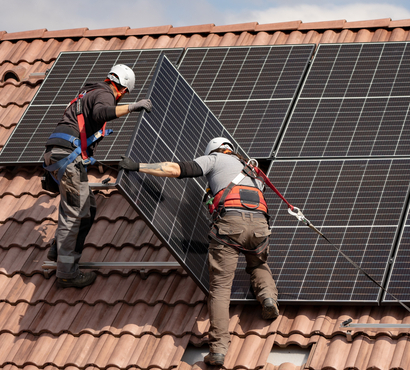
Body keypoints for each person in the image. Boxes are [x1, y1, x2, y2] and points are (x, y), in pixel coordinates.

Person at [118, 137, 279, 366]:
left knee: (221, 288)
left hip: (231, 225)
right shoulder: (253, 170)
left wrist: (139, 167)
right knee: (257, 263)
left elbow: (175, 169)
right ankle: (268, 298)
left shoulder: (214, 159)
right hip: (261, 227)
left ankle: (219, 349)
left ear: (214, 151)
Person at [44, 64, 152, 288]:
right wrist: (133, 107)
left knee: (89, 208)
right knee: (74, 214)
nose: (121, 99)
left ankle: (59, 249)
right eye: (124, 96)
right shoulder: (104, 93)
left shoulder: (89, 92)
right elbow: (101, 113)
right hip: (67, 158)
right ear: (122, 90)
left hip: (60, 155)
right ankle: (66, 273)